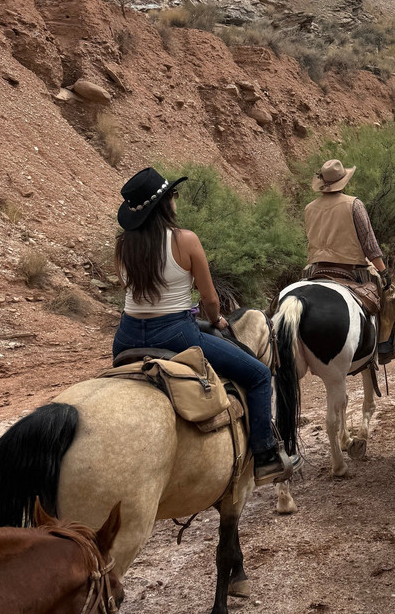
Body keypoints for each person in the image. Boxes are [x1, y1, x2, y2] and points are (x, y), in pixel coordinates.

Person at [112, 167, 299, 485]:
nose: (176, 201)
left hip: (126, 337)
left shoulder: (122, 246)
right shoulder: (185, 241)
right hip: (176, 334)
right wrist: (216, 320)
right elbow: (210, 299)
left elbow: (131, 291)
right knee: (257, 375)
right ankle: (265, 455)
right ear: (165, 204)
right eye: (173, 196)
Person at [303, 158, 395, 363]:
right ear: (344, 182)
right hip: (351, 268)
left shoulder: (309, 208)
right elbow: (369, 244)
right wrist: (384, 273)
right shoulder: (354, 205)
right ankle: (386, 346)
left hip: (315, 268)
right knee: (390, 296)